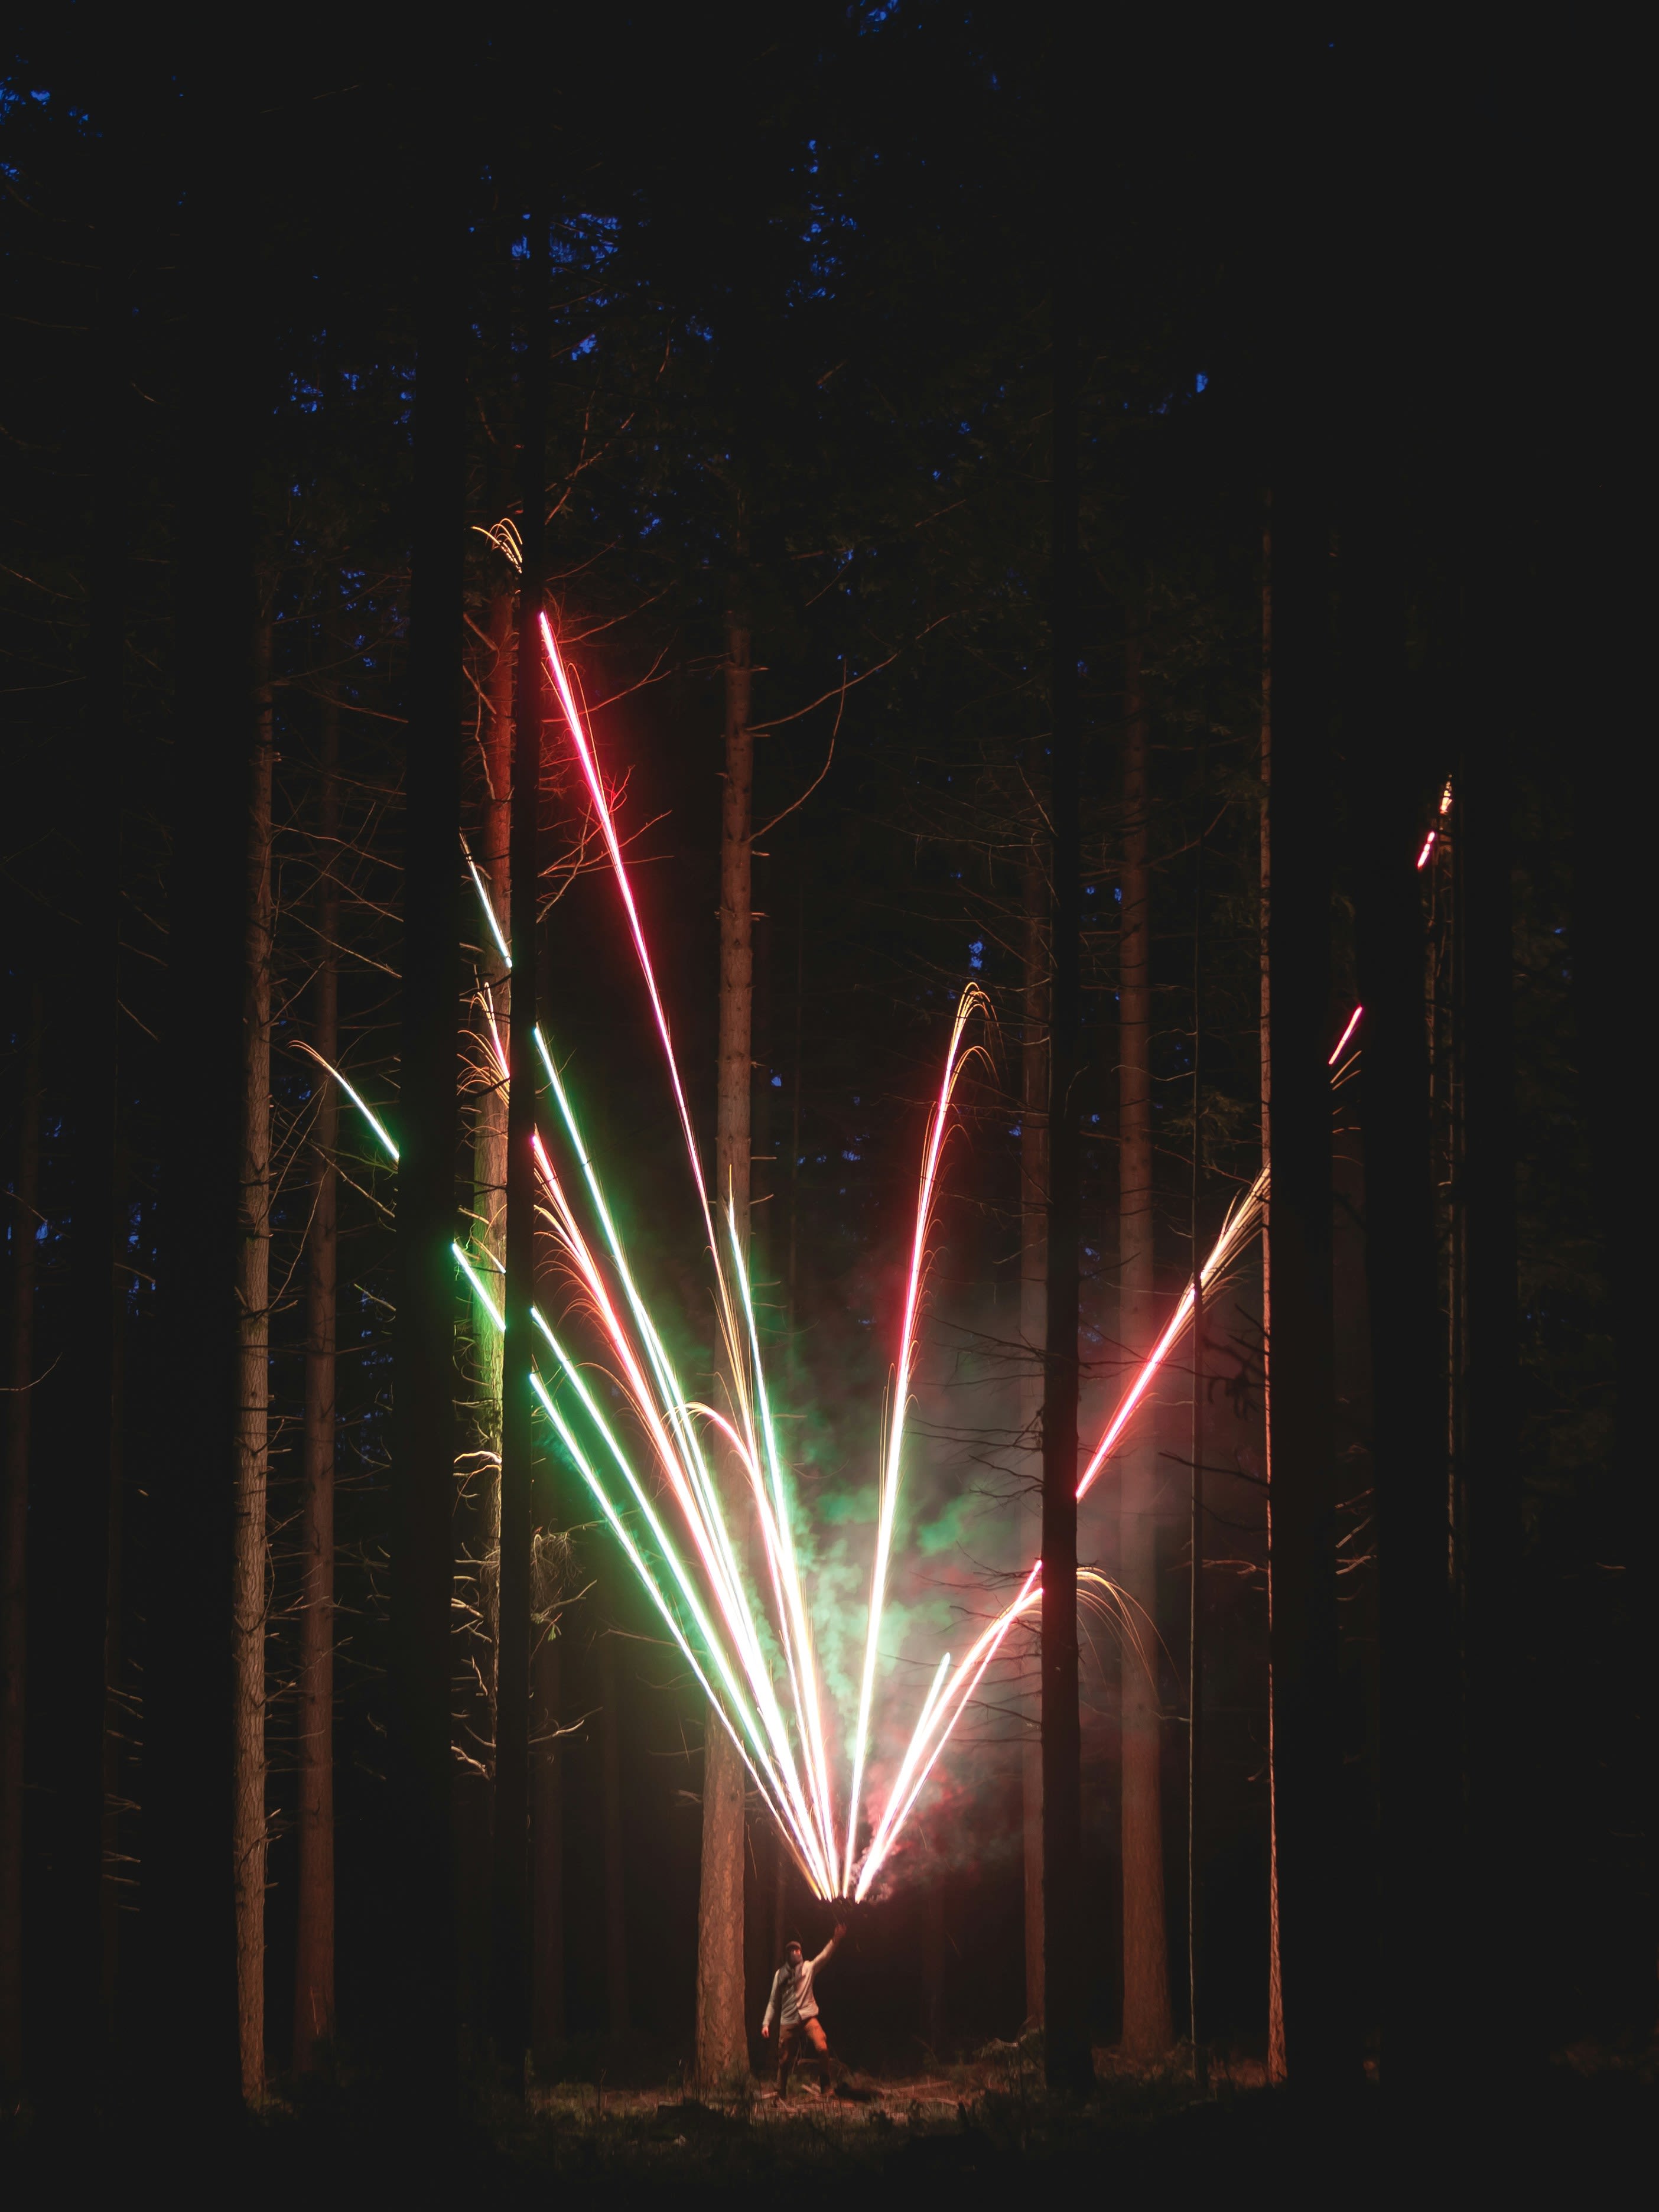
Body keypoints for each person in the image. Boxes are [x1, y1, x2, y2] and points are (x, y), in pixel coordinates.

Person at [760, 1923, 847, 2097]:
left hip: (808, 2017)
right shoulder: (780, 1975)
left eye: (798, 1950)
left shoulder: (809, 1968)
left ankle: (826, 2087)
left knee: (822, 2046)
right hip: (788, 2020)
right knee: (784, 2059)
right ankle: (781, 2092)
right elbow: (773, 2001)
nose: (796, 1953)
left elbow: (824, 1957)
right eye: (793, 1951)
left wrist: (835, 1940)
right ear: (788, 1955)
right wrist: (766, 2023)